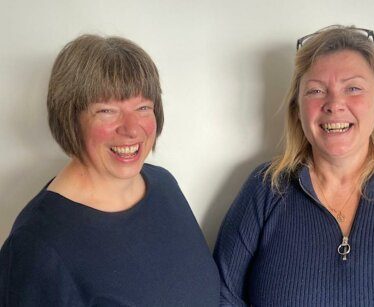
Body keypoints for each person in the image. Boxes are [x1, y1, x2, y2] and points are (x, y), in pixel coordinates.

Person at [213, 25, 374, 306]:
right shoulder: (265, 189)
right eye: (316, 90)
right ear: (297, 108)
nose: (334, 104)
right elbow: (219, 296)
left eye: (353, 88)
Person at [0, 34, 219, 306]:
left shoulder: (164, 185)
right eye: (107, 110)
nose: (131, 128)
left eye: (142, 107)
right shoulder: (36, 246)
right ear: (70, 118)